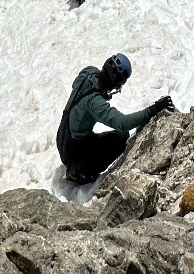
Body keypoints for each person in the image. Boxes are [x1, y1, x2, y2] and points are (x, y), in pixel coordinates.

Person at [56, 52, 175, 184]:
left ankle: (77, 165)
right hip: (74, 152)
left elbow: (75, 85)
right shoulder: (95, 102)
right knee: (121, 138)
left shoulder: (88, 72)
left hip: (62, 137)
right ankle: (79, 172)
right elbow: (123, 123)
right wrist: (154, 108)